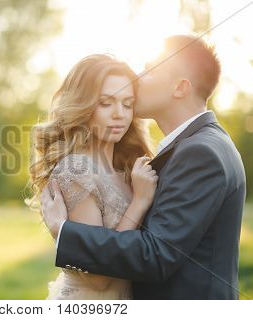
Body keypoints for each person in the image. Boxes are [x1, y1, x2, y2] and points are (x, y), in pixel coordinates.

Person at [40, 35, 247, 299]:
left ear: (180, 88)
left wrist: (64, 231)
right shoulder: (198, 145)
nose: (138, 78)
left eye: (149, 70)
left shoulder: (199, 152)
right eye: (107, 102)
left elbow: (155, 254)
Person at [28, 53, 158, 299]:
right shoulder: (76, 170)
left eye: (127, 104)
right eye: (106, 103)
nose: (119, 113)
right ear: (84, 106)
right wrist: (140, 202)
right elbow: (98, 278)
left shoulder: (126, 169)